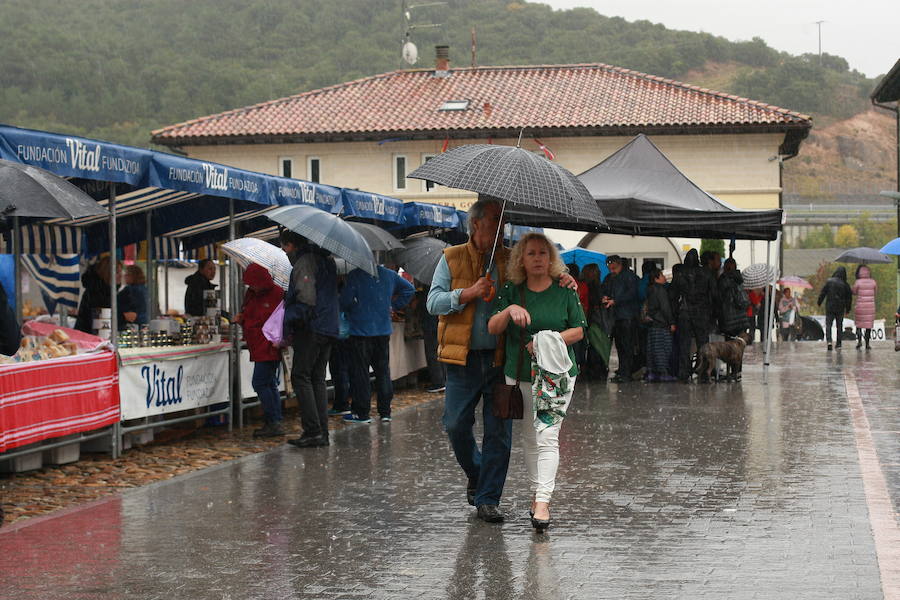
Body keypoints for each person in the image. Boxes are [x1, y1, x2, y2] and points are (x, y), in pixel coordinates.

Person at [427, 196, 576, 523]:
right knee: (455, 424)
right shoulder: (450, 258)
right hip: (461, 360)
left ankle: (488, 499)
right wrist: (467, 293)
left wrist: (564, 279)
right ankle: (477, 472)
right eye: (496, 219)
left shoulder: (510, 259)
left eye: (503, 221)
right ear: (477, 223)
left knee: (499, 431)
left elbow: (541, 280)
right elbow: (433, 302)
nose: (501, 226)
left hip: (500, 360)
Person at [487, 233, 585, 532]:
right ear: (521, 259)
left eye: (544, 253)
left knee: (547, 435)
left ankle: (543, 501)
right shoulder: (511, 290)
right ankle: (536, 495)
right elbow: (493, 327)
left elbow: (578, 330)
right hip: (521, 374)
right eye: (531, 253)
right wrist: (508, 310)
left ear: (552, 258)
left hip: (556, 374)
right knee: (531, 438)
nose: (539, 258)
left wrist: (545, 342)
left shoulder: (566, 290)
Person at [281, 230, 339, 448]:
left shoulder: (305, 262)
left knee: (301, 376)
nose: (284, 252)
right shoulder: (326, 260)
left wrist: (287, 316)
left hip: (313, 327)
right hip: (328, 326)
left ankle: (313, 430)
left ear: (291, 245)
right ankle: (321, 432)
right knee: (317, 378)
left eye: (284, 247)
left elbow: (307, 299)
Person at [340, 262, 414, 423]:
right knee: (383, 372)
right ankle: (385, 411)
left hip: (360, 331)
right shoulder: (389, 274)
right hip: (382, 330)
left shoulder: (355, 275)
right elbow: (409, 289)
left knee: (361, 373)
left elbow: (344, 302)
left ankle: (362, 412)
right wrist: (393, 305)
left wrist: (353, 304)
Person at [235, 264, 285, 438]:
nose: (251, 286)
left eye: (253, 283)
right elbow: (248, 314)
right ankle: (274, 420)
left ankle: (273, 421)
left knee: (261, 382)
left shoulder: (277, 293)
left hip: (269, 345)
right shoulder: (251, 294)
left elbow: (279, 320)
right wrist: (241, 318)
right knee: (269, 383)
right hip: (257, 343)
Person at [668, 249, 717, 382]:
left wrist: (674, 314)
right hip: (702, 313)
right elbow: (714, 295)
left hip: (685, 312)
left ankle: (684, 373)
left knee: (684, 345)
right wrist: (712, 313)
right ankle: (704, 374)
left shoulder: (680, 274)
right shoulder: (706, 273)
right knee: (703, 345)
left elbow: (672, 295)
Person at [600, 255, 640, 383]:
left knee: (627, 346)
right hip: (616, 317)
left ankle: (626, 373)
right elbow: (603, 289)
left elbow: (633, 294)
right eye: (609, 267)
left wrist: (615, 301)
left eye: (613, 267)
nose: (611, 270)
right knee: (620, 346)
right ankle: (622, 371)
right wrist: (604, 297)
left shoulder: (629, 276)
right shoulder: (610, 278)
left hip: (627, 316)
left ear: (619, 264)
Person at [75, 257, 137, 333]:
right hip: (92, 338)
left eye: (121, 272)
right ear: (107, 272)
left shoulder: (104, 290)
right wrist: (124, 317)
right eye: (117, 272)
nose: (121, 275)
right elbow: (100, 318)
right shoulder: (97, 292)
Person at [644, 267, 676, 382]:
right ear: (656, 278)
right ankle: (663, 373)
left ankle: (652, 373)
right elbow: (665, 308)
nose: (664, 277)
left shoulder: (650, 289)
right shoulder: (660, 290)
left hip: (653, 324)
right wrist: (671, 322)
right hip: (662, 324)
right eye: (662, 275)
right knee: (663, 349)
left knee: (652, 349)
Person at [817, 266, 852, 351]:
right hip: (840, 307)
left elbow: (823, 292)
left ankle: (829, 341)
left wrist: (819, 302)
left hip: (830, 306)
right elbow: (849, 298)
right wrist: (848, 309)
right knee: (839, 325)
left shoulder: (829, 282)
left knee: (828, 324)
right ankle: (838, 343)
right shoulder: (845, 284)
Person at [718, 258, 750, 337]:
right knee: (741, 343)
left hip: (729, 318)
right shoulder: (740, 278)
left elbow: (719, 295)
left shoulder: (724, 279)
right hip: (742, 318)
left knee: (730, 345)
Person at [851, 265, 877, 350]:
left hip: (860, 306)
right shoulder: (873, 282)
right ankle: (867, 344)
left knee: (859, 325)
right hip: (870, 307)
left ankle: (859, 342)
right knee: (868, 326)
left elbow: (854, 292)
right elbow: (875, 292)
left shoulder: (858, 282)